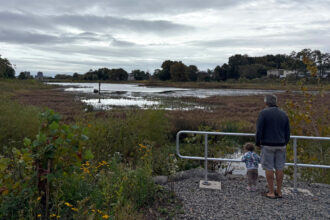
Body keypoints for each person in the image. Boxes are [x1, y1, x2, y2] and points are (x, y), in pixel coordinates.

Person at [256, 94, 290, 199]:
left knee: (269, 167)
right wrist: (285, 142)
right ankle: (279, 192)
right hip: (281, 144)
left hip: (268, 145)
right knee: (280, 168)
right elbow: (287, 132)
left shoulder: (263, 113)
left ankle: (271, 192)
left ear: (266, 102)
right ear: (275, 102)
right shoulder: (284, 114)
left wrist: (258, 142)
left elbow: (259, 130)